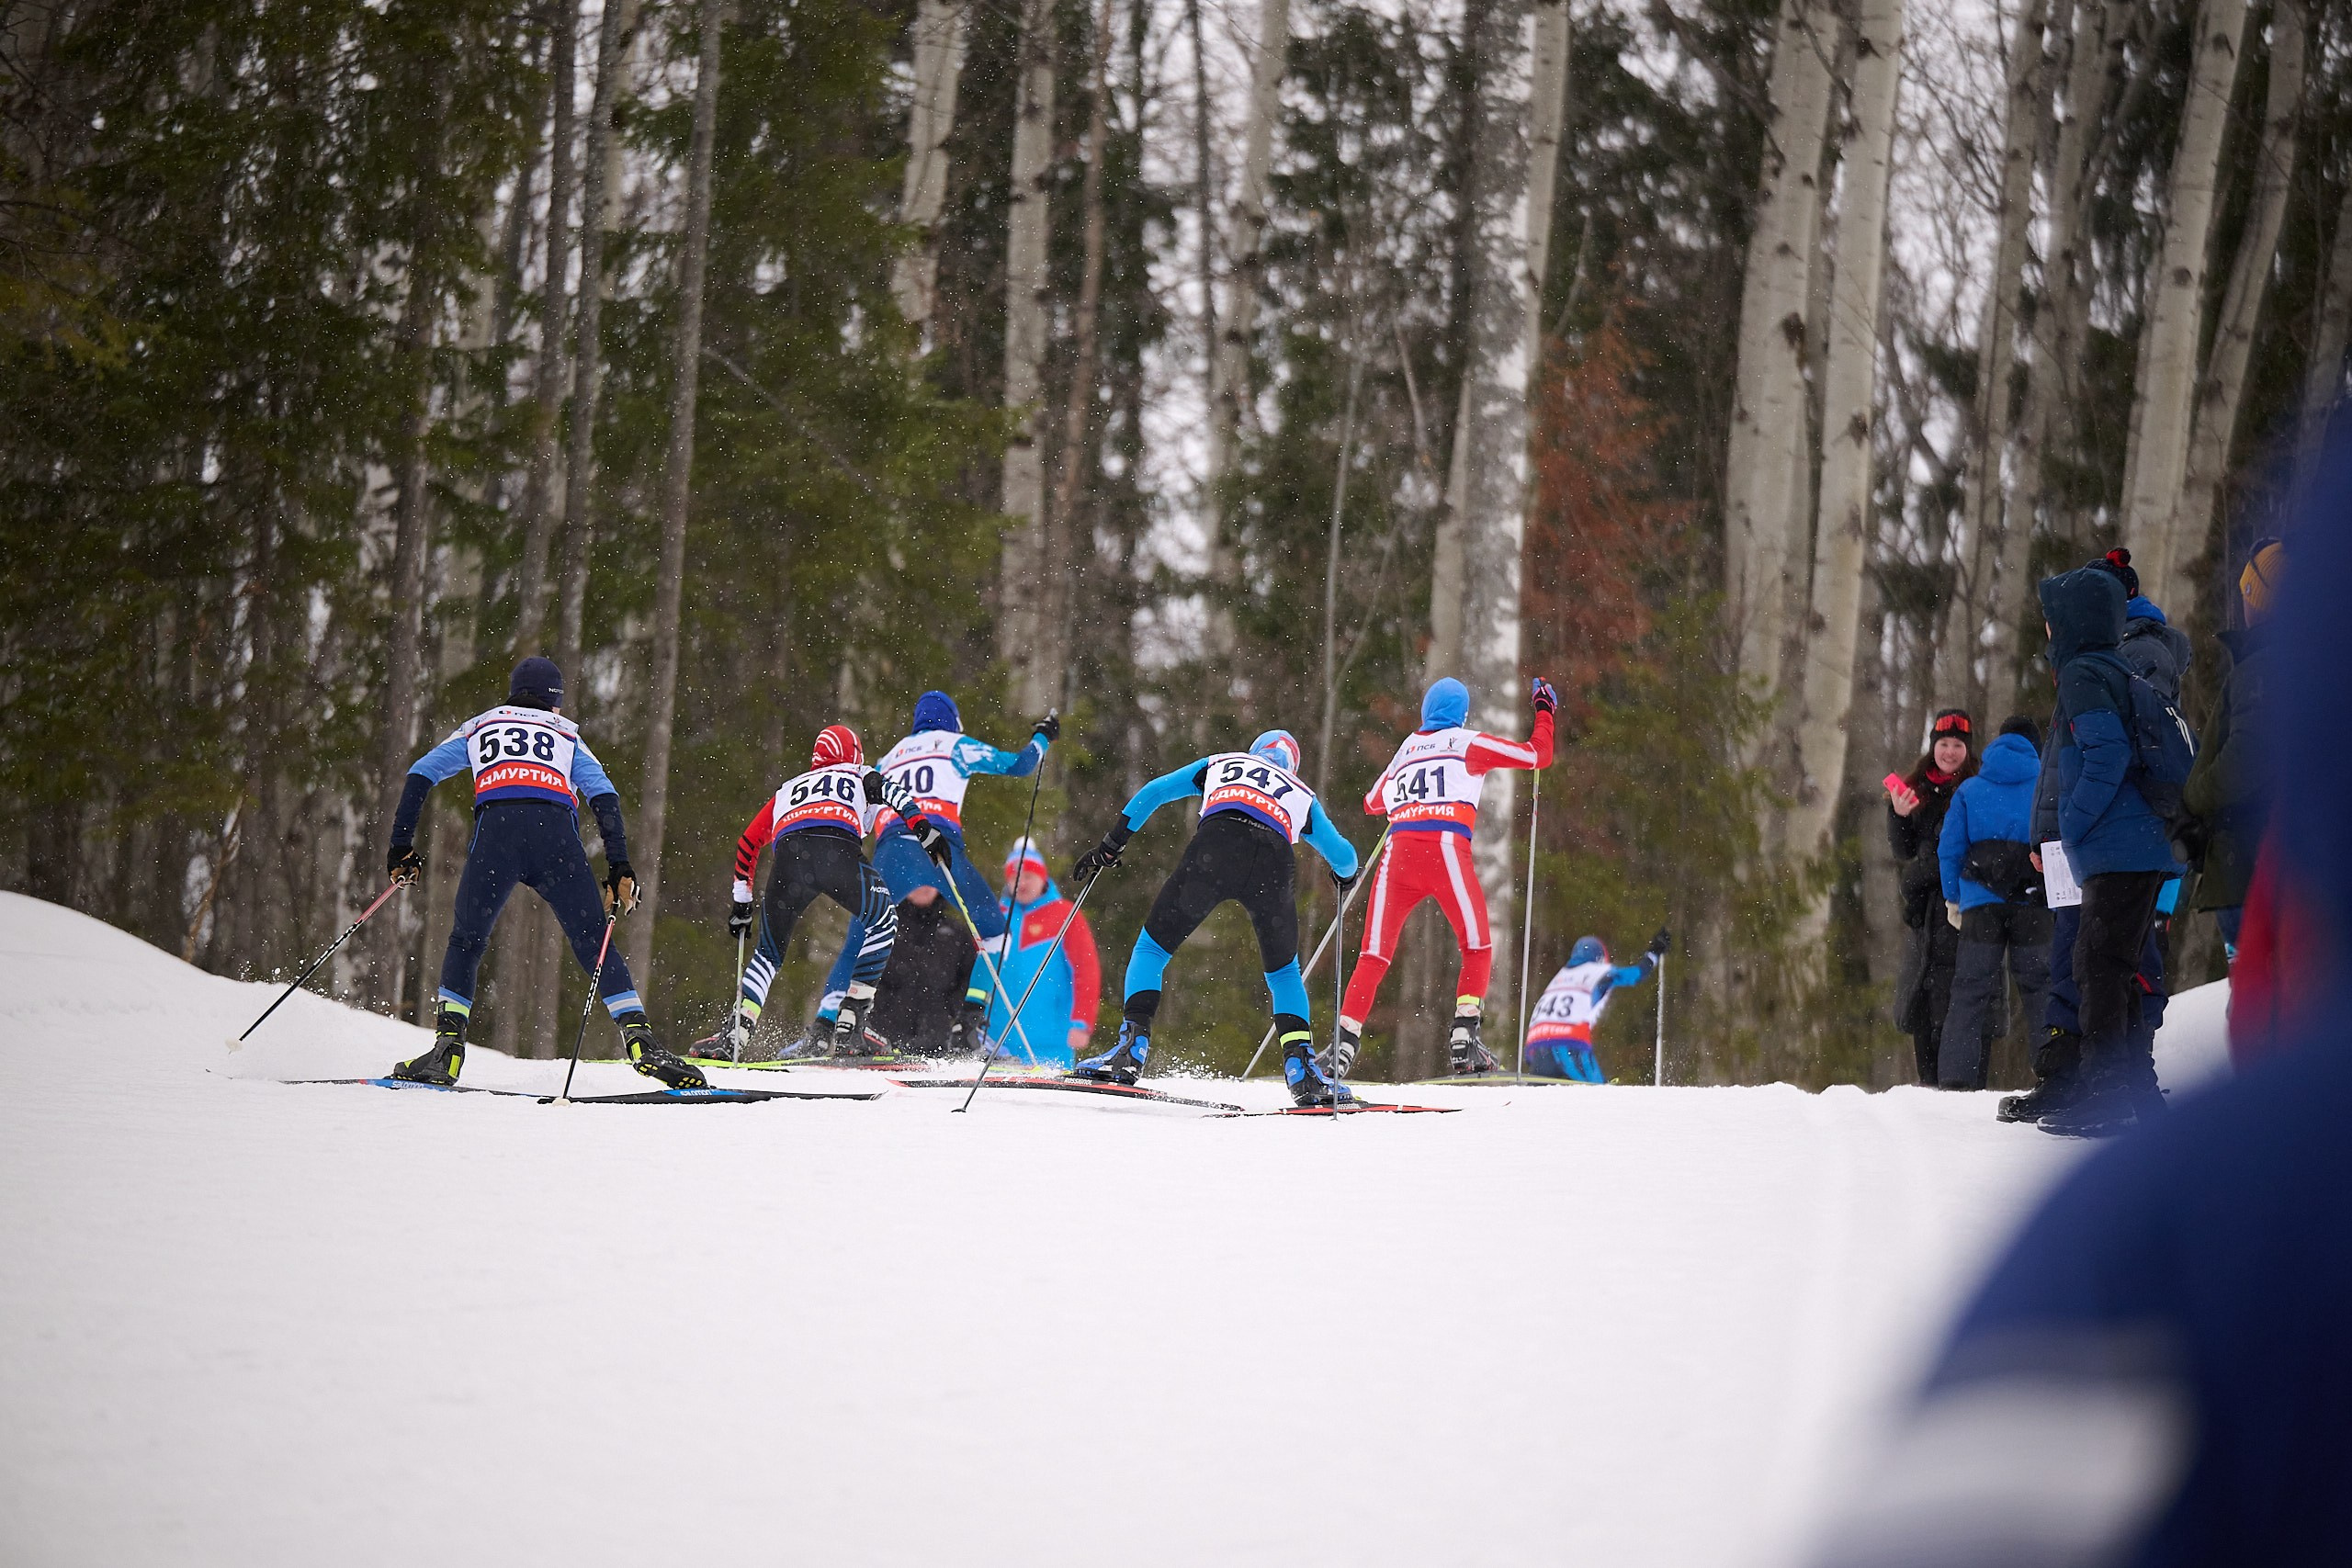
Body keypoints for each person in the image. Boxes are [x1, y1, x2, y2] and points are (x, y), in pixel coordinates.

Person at [1799, 424, 2352, 1568]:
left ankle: (2099, 1080)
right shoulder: (2115, 683)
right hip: (2103, 856)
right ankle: (2087, 1073)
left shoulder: (2220, 1212)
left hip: (2100, 852)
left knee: (2086, 971)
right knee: (2082, 971)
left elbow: (1963, 1514)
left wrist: (2042, 831)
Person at [380, 656, 705, 1089]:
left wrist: (401, 847)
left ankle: (448, 1051)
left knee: (467, 939)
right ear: (554, 701)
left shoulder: (482, 725)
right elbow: (604, 796)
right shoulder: (565, 732)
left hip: (497, 834)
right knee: (593, 942)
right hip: (555, 838)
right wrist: (619, 866)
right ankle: (640, 1040)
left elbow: (421, 774)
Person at [1065, 729, 1362, 1107]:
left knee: (1152, 949)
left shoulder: (1222, 762)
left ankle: (1130, 1049)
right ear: (1292, 765)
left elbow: (1155, 791)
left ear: (1256, 751)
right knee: (1284, 973)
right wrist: (1345, 877)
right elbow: (1344, 854)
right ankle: (1302, 1070)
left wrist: (1112, 844)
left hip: (1217, 845)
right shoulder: (1300, 793)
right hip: (1273, 858)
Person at [2006, 555, 2188, 1125]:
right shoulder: (2101, 666)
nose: (2046, 628)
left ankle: (2109, 1091)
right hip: (2122, 845)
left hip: (2116, 845)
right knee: (2103, 962)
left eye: (2051, 616)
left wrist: (2074, 823)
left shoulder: (2093, 668)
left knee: (2103, 965)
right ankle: (2131, 1093)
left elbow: (2107, 754)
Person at [1328, 675, 1556, 1077]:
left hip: (1398, 856)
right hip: (1446, 850)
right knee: (1477, 944)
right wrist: (1544, 711)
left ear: (1425, 711)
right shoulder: (1469, 742)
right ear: (1462, 713)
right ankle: (1464, 1036)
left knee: (1374, 954)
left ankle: (1343, 1042)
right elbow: (1538, 756)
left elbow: (1372, 802)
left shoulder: (1407, 747)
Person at [807, 692, 1057, 1043]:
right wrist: (1043, 738)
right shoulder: (955, 744)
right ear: (952, 722)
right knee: (995, 935)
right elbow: (1019, 765)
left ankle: (825, 1024)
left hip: (893, 849)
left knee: (860, 935)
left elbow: (862, 813)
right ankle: (970, 1021)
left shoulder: (889, 758)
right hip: (939, 848)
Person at [716, 723, 948, 1056]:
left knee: (768, 953)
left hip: (790, 859)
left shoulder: (788, 788)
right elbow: (896, 795)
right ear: (854, 755)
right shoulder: (859, 773)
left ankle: (737, 1030)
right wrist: (923, 829)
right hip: (836, 851)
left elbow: (748, 843)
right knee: (883, 922)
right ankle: (852, 1020)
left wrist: (742, 904)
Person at [1933, 715, 2053, 1091]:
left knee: (1969, 990)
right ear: (2035, 747)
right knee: (2040, 990)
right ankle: (2054, 1075)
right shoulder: (2047, 787)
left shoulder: (1970, 789)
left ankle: (1955, 1080)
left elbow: (1948, 849)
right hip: (2034, 904)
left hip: (1980, 905)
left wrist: (1954, 896)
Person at [2184, 538, 2282, 959]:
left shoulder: (2265, 668)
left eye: (2248, 591)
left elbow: (2247, 757)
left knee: (2259, 1001)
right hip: (2263, 860)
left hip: (2249, 861)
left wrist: (2193, 797)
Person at [1886, 709, 1977, 1085]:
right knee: (1922, 996)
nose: (1950, 752)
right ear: (1932, 747)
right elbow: (1903, 850)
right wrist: (1898, 815)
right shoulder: (1915, 787)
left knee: (1956, 995)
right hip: (1924, 914)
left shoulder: (1976, 785)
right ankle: (1929, 1084)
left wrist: (1924, 872)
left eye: (1958, 745)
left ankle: (1956, 1084)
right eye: (1944, 744)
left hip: (1961, 906)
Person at [982, 837, 1101, 1068]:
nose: (1021, 883)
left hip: (1051, 1041)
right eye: (1015, 877)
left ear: (1042, 877)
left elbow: (1086, 970)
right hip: (996, 1041)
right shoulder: (995, 915)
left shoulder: (1066, 914)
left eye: (1028, 876)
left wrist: (1081, 1022)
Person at [1522, 931, 1668, 1082]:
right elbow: (1636, 975)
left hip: (1537, 1042)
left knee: (1539, 1094)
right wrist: (1653, 954)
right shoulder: (1598, 971)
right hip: (1569, 1042)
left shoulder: (1560, 976)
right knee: (1597, 1094)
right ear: (1600, 958)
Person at [864, 886, 977, 1056]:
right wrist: (881, 1005)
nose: (923, 888)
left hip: (936, 1037)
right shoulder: (884, 929)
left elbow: (969, 977)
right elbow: (866, 970)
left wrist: (950, 1009)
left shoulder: (957, 932)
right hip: (884, 1034)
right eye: (917, 881)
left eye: (929, 881)